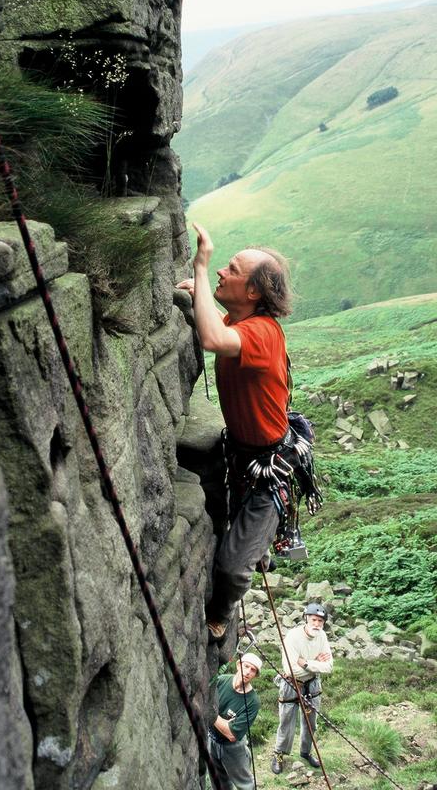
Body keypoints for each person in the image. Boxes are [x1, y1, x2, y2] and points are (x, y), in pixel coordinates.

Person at [177, 223, 300, 640]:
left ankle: (223, 611)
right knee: (233, 530)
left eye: (231, 269)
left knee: (231, 568)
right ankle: (256, 546)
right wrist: (198, 294)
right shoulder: (244, 319)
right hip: (244, 452)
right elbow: (222, 324)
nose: (220, 272)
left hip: (268, 468)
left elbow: (214, 339)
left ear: (252, 292)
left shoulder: (262, 334)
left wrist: (200, 265)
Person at [271, 603, 333, 774]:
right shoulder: (293, 637)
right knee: (286, 721)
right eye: (314, 620)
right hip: (291, 683)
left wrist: (305, 663)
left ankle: (306, 752)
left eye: (320, 621)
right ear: (306, 618)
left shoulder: (322, 636)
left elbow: (329, 666)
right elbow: (290, 669)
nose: (317, 624)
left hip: (312, 684)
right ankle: (279, 754)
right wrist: (316, 663)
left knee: (311, 722)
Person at [208, 653, 262, 790]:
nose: (248, 672)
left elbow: (232, 734)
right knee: (219, 784)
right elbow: (205, 704)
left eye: (253, 670)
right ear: (239, 665)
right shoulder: (221, 681)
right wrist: (224, 723)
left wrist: (211, 712)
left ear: (256, 675)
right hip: (211, 741)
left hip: (233, 748)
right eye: (246, 666)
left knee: (245, 785)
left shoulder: (253, 702)